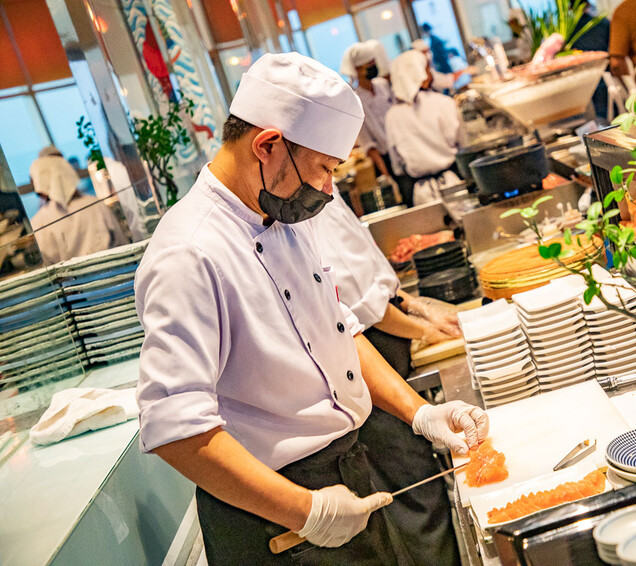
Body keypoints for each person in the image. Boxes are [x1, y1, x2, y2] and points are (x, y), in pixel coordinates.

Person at [134, 52, 489, 564]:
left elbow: (337, 331)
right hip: (273, 515)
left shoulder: (282, 219)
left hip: (346, 469)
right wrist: (304, 511)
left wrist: (421, 413)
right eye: (323, 169)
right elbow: (176, 431)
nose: (327, 189)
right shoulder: (188, 253)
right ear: (267, 145)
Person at [313, 188, 462, 564]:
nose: (329, 175)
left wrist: (418, 308)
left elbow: (374, 277)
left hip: (387, 334)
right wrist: (422, 330)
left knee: (416, 475)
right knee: (414, 491)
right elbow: (361, 312)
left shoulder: (321, 184)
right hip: (373, 350)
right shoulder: (301, 204)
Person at [386, 50, 463, 207]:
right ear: (419, 73)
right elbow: (462, 143)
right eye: (427, 68)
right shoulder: (444, 103)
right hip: (453, 182)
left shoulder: (392, 116)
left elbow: (397, 166)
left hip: (420, 194)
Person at [29, 152, 129, 264]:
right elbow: (122, 244)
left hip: (73, 281)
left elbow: (47, 266)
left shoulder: (38, 222)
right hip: (115, 272)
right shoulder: (94, 204)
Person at [340, 41, 395, 180]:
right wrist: (387, 176)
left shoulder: (382, 85)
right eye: (368, 65)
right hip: (385, 158)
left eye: (373, 63)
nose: (372, 67)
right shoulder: (356, 100)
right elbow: (368, 145)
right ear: (357, 69)